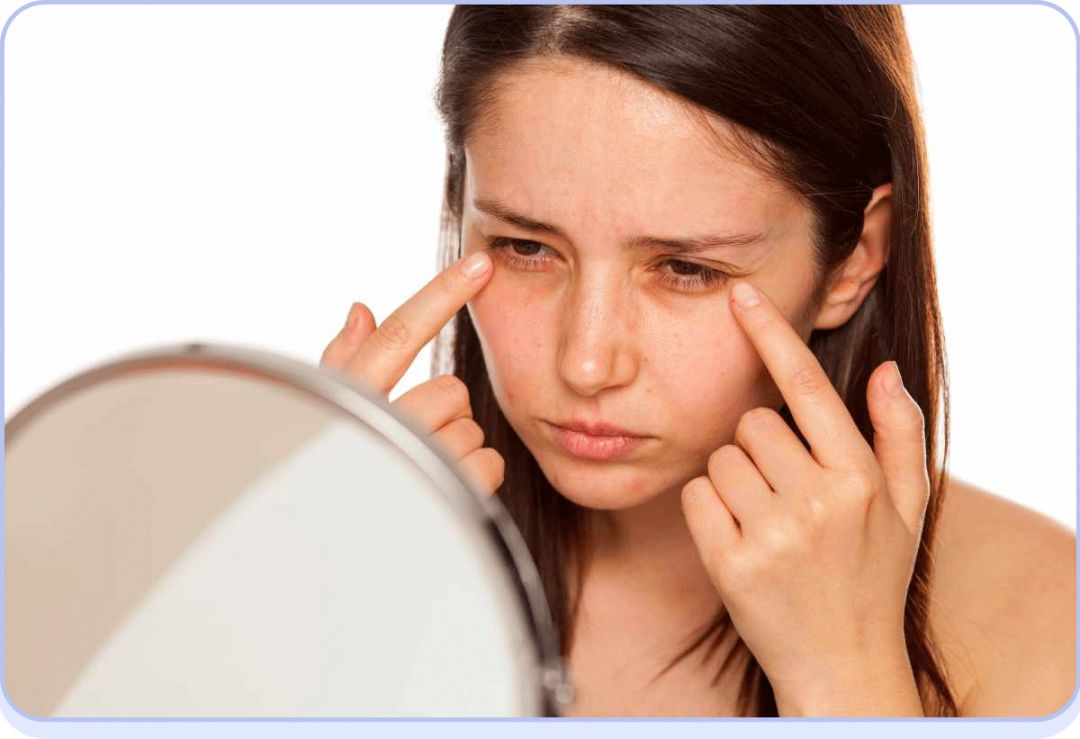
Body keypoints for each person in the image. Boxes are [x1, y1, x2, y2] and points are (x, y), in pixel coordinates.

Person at [320, 5, 1076, 718]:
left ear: (854, 260)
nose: (587, 364)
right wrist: (314, 619)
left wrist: (846, 676)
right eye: (526, 247)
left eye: (686, 268)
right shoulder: (336, 553)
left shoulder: (1046, 614)